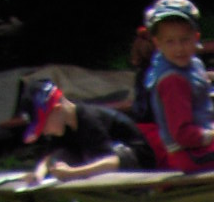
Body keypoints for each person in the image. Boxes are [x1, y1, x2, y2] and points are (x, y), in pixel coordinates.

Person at [140, 0, 214, 172]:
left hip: (201, 145)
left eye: (185, 40)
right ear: (157, 43)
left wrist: (210, 75)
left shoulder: (188, 64)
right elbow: (183, 135)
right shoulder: (172, 81)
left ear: (196, 37)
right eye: (170, 42)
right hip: (191, 154)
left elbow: (192, 77)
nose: (179, 48)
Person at [20, 78, 157, 183]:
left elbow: (113, 161)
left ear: (57, 109)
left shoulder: (89, 119)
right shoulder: (63, 126)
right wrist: (38, 174)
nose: (45, 132)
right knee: (62, 153)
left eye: (44, 126)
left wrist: (73, 173)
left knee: (116, 154)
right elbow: (51, 155)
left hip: (141, 167)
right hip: (111, 168)